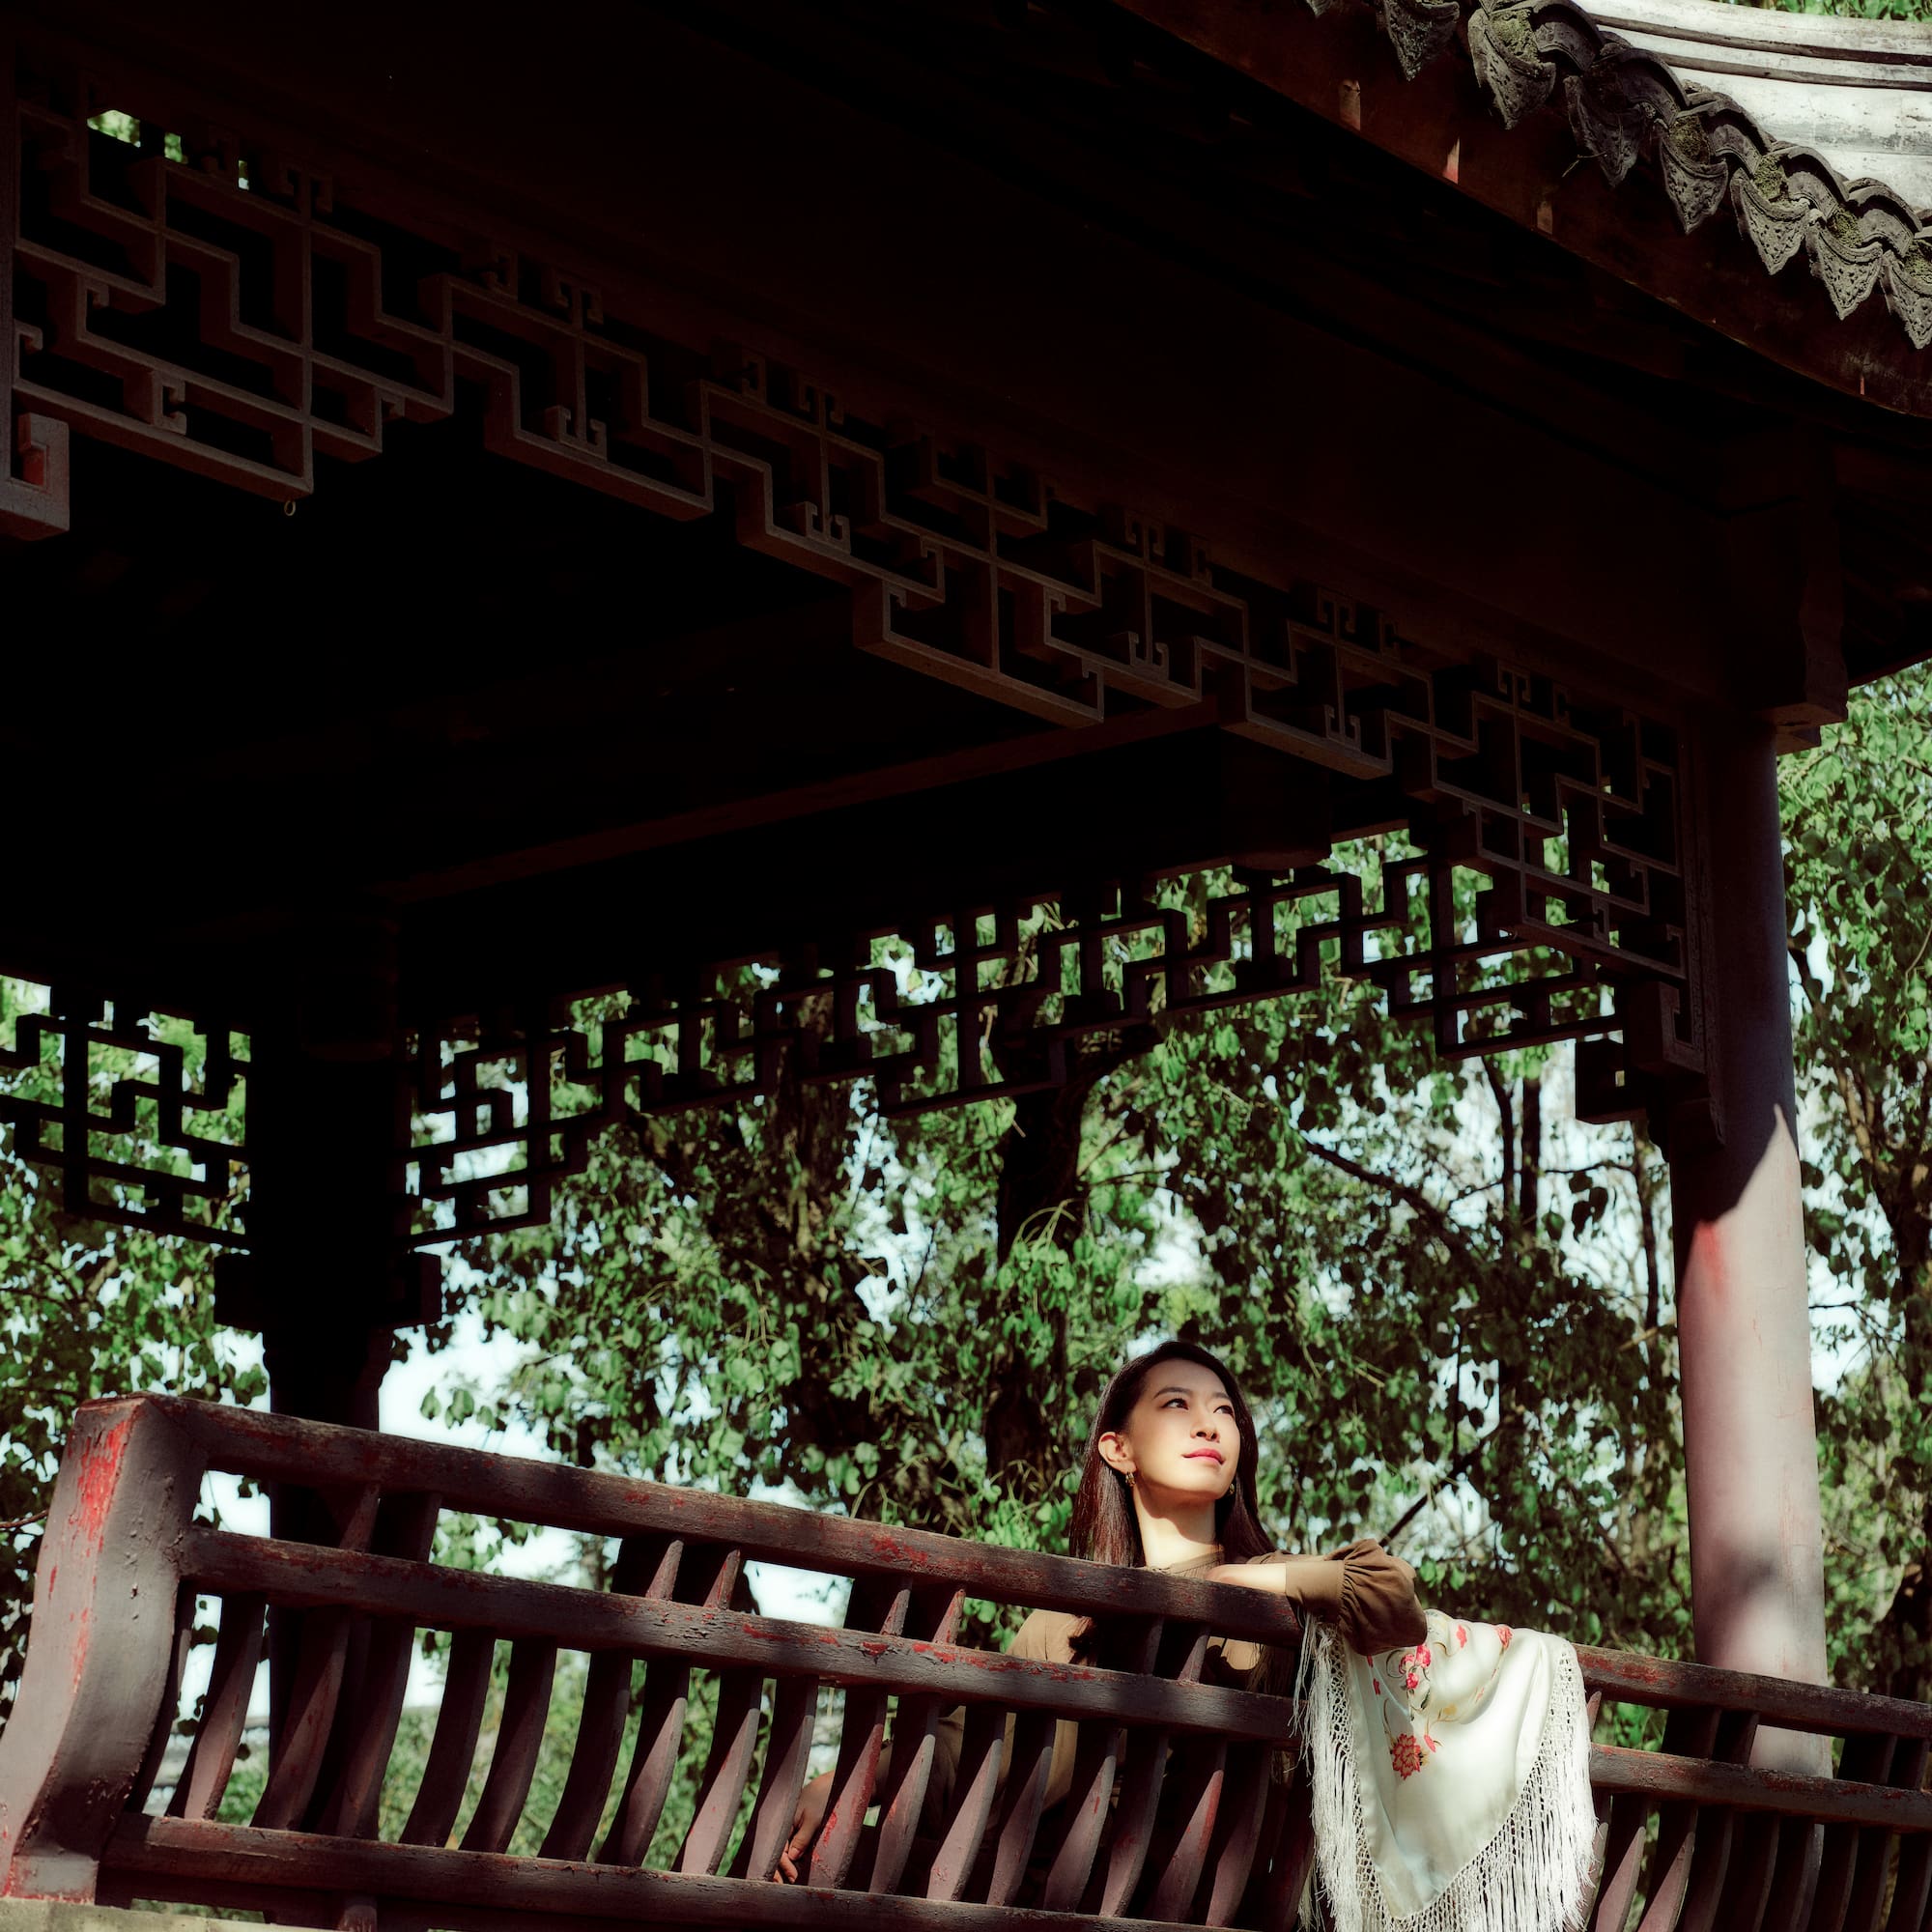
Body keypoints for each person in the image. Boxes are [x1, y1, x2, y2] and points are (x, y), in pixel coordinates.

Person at [776, 1338, 1426, 1884]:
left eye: (1224, 1411)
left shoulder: (1276, 1594)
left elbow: (1392, 1602)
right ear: (1118, 1450)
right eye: (1177, 1404)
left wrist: (1241, 1579)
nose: (1209, 1424)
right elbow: (967, 1748)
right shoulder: (1064, 1623)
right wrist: (845, 1780)